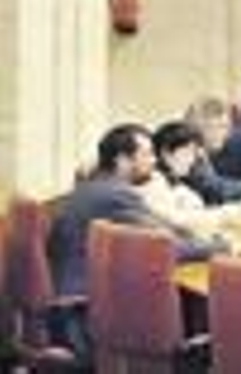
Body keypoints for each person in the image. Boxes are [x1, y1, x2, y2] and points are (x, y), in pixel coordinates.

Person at [47, 125, 224, 356]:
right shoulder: (115, 197)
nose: (154, 161)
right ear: (122, 160)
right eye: (147, 154)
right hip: (82, 320)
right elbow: (165, 246)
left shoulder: (94, 188)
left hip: (74, 311)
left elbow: (166, 229)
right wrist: (224, 246)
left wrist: (198, 237)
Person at [181, 97, 241, 205]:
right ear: (197, 128)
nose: (222, 134)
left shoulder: (212, 152)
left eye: (225, 127)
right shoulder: (190, 155)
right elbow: (218, 189)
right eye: (212, 127)